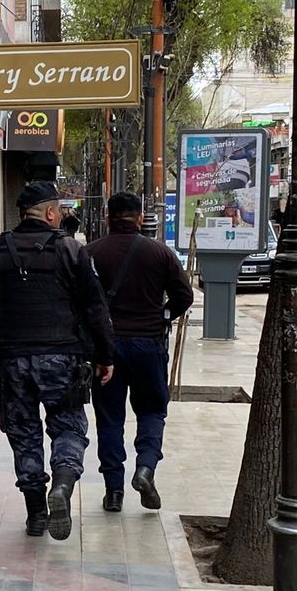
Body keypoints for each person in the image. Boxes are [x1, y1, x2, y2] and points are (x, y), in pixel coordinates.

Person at [0, 181, 114, 541]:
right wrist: (105, 355)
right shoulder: (71, 251)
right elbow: (95, 308)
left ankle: (37, 513)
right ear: (52, 213)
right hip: (63, 360)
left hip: (13, 361)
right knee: (68, 427)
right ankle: (64, 485)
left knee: (24, 435)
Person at [86, 191, 193, 513]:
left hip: (107, 349)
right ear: (140, 216)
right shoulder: (160, 253)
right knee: (151, 411)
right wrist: (161, 316)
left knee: (109, 418)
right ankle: (145, 468)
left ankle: (113, 491)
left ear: (107, 217)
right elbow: (183, 296)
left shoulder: (90, 253)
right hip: (149, 346)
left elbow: (79, 301)